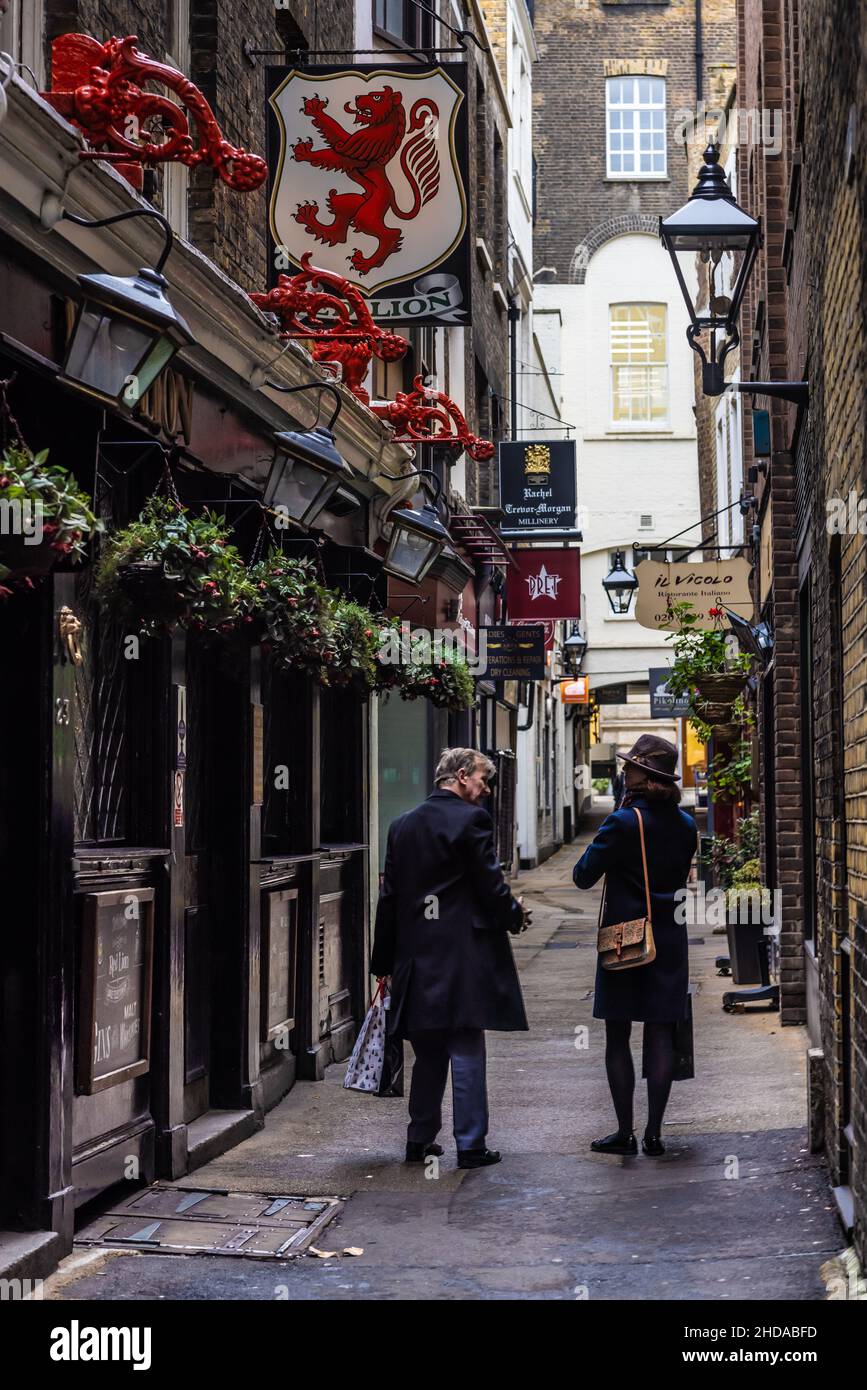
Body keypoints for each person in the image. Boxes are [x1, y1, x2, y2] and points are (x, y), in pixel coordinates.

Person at [370, 747, 530, 1169]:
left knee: (427, 1051)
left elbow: (389, 899)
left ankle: (418, 1140)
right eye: (483, 779)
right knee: (466, 1046)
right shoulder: (471, 820)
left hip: (416, 957)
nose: (487, 789)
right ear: (461, 776)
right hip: (462, 956)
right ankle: (472, 1145)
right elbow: (490, 885)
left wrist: (382, 963)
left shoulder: (401, 825)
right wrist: (514, 916)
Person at [573, 734, 697, 1157]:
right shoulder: (685, 824)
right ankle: (655, 1134)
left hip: (626, 941)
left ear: (644, 775)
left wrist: (616, 823)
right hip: (670, 939)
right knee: (662, 1031)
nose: (623, 772)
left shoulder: (624, 822)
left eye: (629, 767)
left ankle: (624, 1133)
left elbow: (583, 875)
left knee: (618, 1033)